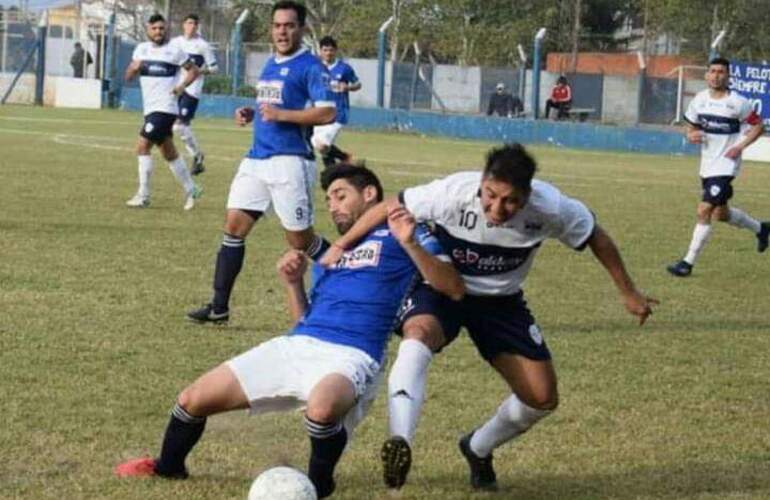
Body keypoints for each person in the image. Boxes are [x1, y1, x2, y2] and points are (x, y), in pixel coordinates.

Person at [113, 164, 464, 499]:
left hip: (354, 354)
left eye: (341, 196)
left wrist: (412, 243)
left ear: (369, 193)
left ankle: (319, 483)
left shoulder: (405, 232)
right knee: (191, 400)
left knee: (323, 409)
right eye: (328, 200)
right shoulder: (329, 256)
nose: (333, 206)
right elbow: (302, 321)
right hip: (297, 345)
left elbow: (452, 287)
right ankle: (168, 467)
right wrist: (293, 282)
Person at [322, 143, 657, 492]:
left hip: (500, 301)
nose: (496, 208)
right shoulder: (453, 192)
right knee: (418, 332)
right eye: (490, 195)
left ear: (528, 195)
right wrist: (341, 245)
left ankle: (477, 447)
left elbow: (596, 238)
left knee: (541, 398)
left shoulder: (553, 208)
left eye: (510, 201)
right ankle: (399, 441)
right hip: (441, 286)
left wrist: (628, 291)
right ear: (481, 182)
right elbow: (393, 205)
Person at [186, 1, 337, 324]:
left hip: (290, 162)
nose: (282, 31)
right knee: (233, 227)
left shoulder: (311, 66)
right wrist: (251, 112)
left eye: (290, 25)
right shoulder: (270, 64)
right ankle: (219, 307)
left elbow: (327, 111)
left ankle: (354, 269)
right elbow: (271, 105)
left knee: (300, 241)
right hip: (256, 158)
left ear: (302, 29)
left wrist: (283, 115)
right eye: (277, 25)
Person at [667, 58, 768, 277]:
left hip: (726, 165)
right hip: (707, 164)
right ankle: (761, 229)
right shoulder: (700, 100)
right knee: (721, 214)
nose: (716, 75)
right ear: (706, 75)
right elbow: (692, 125)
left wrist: (740, 146)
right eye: (712, 71)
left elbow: (758, 125)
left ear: (728, 76)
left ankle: (687, 263)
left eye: (721, 72)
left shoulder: (738, 102)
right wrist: (691, 134)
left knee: (704, 209)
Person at [124, 14, 202, 211]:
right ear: (148, 29)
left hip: (165, 108)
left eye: (161, 28)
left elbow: (194, 71)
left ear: (166, 29)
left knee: (142, 146)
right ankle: (192, 189)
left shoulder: (174, 51)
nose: (158, 32)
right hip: (150, 109)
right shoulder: (141, 50)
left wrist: (182, 87)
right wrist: (133, 69)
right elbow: (128, 78)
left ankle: (143, 195)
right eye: (154, 28)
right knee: (169, 153)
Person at [170, 14, 218, 176]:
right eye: (189, 23)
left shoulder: (202, 46)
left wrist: (199, 71)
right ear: (183, 25)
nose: (191, 26)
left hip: (192, 89)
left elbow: (214, 68)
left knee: (180, 125)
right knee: (177, 126)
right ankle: (197, 157)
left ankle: (197, 156)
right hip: (176, 87)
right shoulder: (176, 43)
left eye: (194, 24)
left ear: (197, 27)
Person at [311, 36, 361, 169]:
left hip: (338, 112)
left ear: (336, 51)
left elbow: (358, 84)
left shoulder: (344, 68)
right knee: (319, 145)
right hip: (319, 112)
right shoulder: (315, 68)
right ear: (320, 51)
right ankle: (341, 162)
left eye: (331, 50)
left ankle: (335, 168)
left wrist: (348, 87)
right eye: (325, 50)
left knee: (322, 144)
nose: (328, 53)